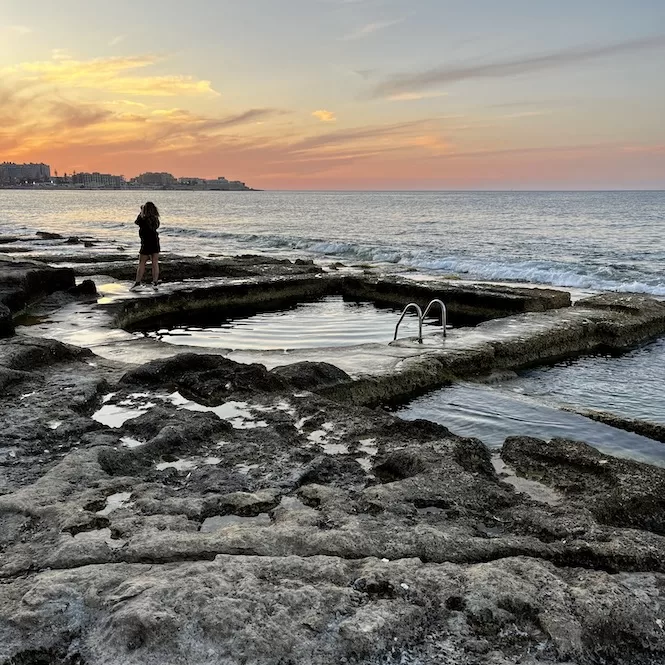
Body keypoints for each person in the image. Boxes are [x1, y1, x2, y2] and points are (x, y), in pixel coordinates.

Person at [130, 202, 161, 290]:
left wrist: (141, 212)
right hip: (155, 241)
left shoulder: (143, 220)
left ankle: (137, 282)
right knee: (155, 262)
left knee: (142, 263)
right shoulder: (155, 219)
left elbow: (136, 222)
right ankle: (155, 282)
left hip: (146, 242)